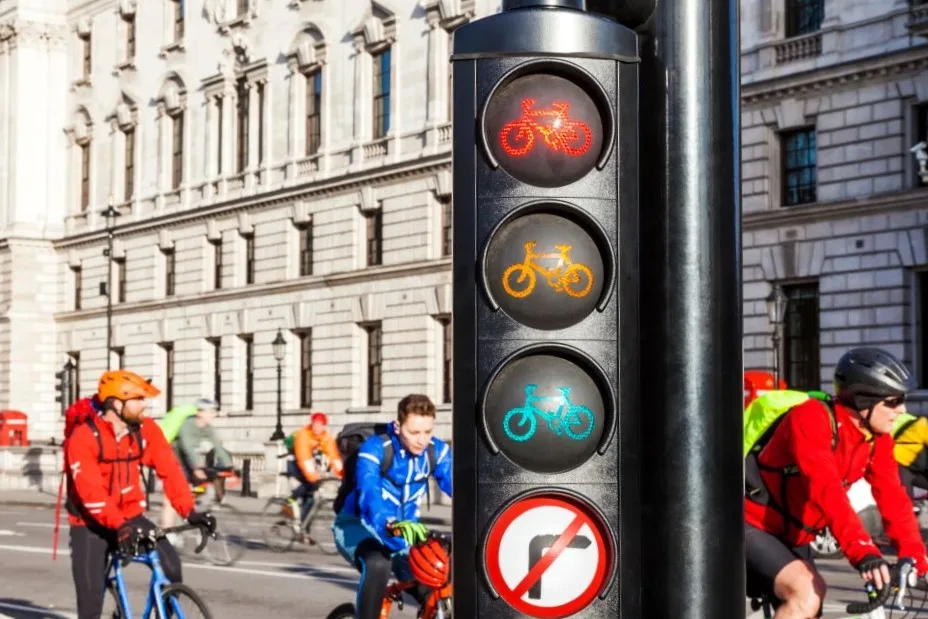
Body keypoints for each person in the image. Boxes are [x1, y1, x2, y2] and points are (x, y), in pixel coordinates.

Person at [745, 347, 928, 618]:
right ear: (863, 400)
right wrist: (863, 551)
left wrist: (914, 555)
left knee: (813, 602)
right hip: (751, 523)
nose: (901, 411)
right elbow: (826, 490)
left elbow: (894, 498)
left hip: (793, 533)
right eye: (892, 401)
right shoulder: (811, 418)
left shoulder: (876, 440)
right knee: (805, 594)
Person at [64, 370, 216, 619]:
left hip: (130, 515)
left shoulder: (145, 430)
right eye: (138, 400)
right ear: (116, 402)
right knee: (91, 602)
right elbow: (91, 493)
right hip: (89, 522)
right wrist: (118, 525)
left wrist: (189, 512)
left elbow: (170, 470)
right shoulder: (83, 438)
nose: (144, 406)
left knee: (171, 567)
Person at [332, 394, 452, 619]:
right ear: (398, 426)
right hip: (358, 526)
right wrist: (388, 521)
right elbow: (369, 492)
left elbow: (461, 488)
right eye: (414, 432)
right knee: (378, 565)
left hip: (405, 536)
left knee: (437, 581)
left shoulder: (436, 452)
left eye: (427, 432)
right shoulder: (376, 448)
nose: (421, 440)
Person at [161, 398, 233, 530]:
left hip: (188, 461)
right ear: (200, 412)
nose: (213, 414)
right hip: (172, 460)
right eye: (210, 411)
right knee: (170, 499)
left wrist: (229, 466)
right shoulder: (187, 425)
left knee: (202, 486)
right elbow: (188, 447)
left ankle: (191, 513)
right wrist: (197, 468)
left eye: (214, 411)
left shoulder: (207, 428)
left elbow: (218, 446)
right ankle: (167, 531)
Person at [283, 411, 344, 527]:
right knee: (310, 484)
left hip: (306, 464)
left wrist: (343, 475)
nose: (317, 427)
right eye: (315, 424)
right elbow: (304, 457)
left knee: (310, 498)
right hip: (294, 463)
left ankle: (303, 528)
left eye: (320, 425)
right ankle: (290, 500)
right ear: (312, 424)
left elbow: (334, 457)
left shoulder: (325, 437)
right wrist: (313, 477)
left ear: (324, 425)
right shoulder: (304, 435)